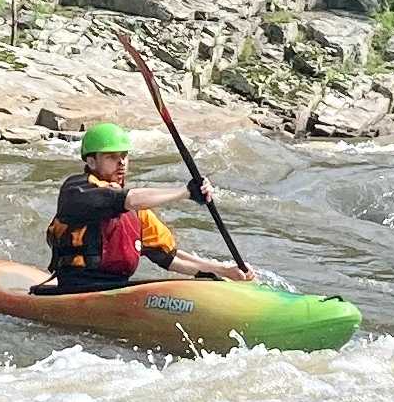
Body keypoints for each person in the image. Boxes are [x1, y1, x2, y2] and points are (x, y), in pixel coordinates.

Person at [46, 122, 255, 288]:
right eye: (111, 157)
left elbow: (170, 257)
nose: (121, 163)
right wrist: (186, 193)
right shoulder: (76, 190)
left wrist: (222, 270)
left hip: (117, 287)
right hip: (76, 285)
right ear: (91, 162)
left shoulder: (137, 212)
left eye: (124, 156)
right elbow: (129, 199)